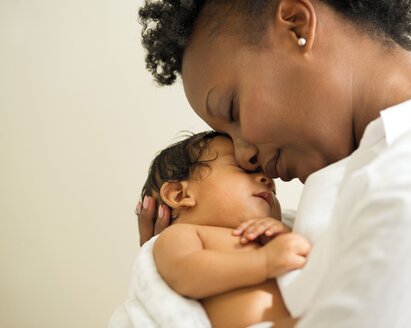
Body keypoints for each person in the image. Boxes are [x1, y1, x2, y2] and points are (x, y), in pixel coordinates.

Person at [136, 1, 411, 327]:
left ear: (296, 26)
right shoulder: (352, 176)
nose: (244, 157)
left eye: (233, 110)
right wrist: (185, 292)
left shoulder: (397, 176)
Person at [138, 130, 310, 328]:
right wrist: (263, 262)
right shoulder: (180, 234)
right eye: (244, 170)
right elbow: (185, 274)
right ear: (180, 195)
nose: (268, 180)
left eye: (274, 190)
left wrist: (284, 236)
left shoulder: (279, 230)